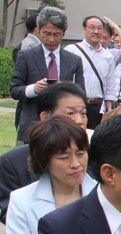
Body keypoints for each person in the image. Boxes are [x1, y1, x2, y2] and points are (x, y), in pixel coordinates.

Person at [0, 82, 92, 223]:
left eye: (83, 113)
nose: (79, 121)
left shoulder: (97, 154)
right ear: (45, 117)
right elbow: (10, 215)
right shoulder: (12, 163)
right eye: (70, 113)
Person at [10, 6, 84, 143]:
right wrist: (33, 89)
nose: (51, 39)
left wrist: (65, 89)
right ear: (38, 31)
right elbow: (14, 89)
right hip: (32, 126)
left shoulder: (74, 60)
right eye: (46, 34)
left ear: (64, 33)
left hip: (64, 126)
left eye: (56, 35)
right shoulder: (25, 56)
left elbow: (81, 93)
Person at [64, 16, 121, 129]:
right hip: (76, 104)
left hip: (98, 107)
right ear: (84, 29)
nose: (96, 31)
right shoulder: (72, 50)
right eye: (92, 27)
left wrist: (109, 105)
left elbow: (110, 82)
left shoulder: (108, 55)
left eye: (99, 28)